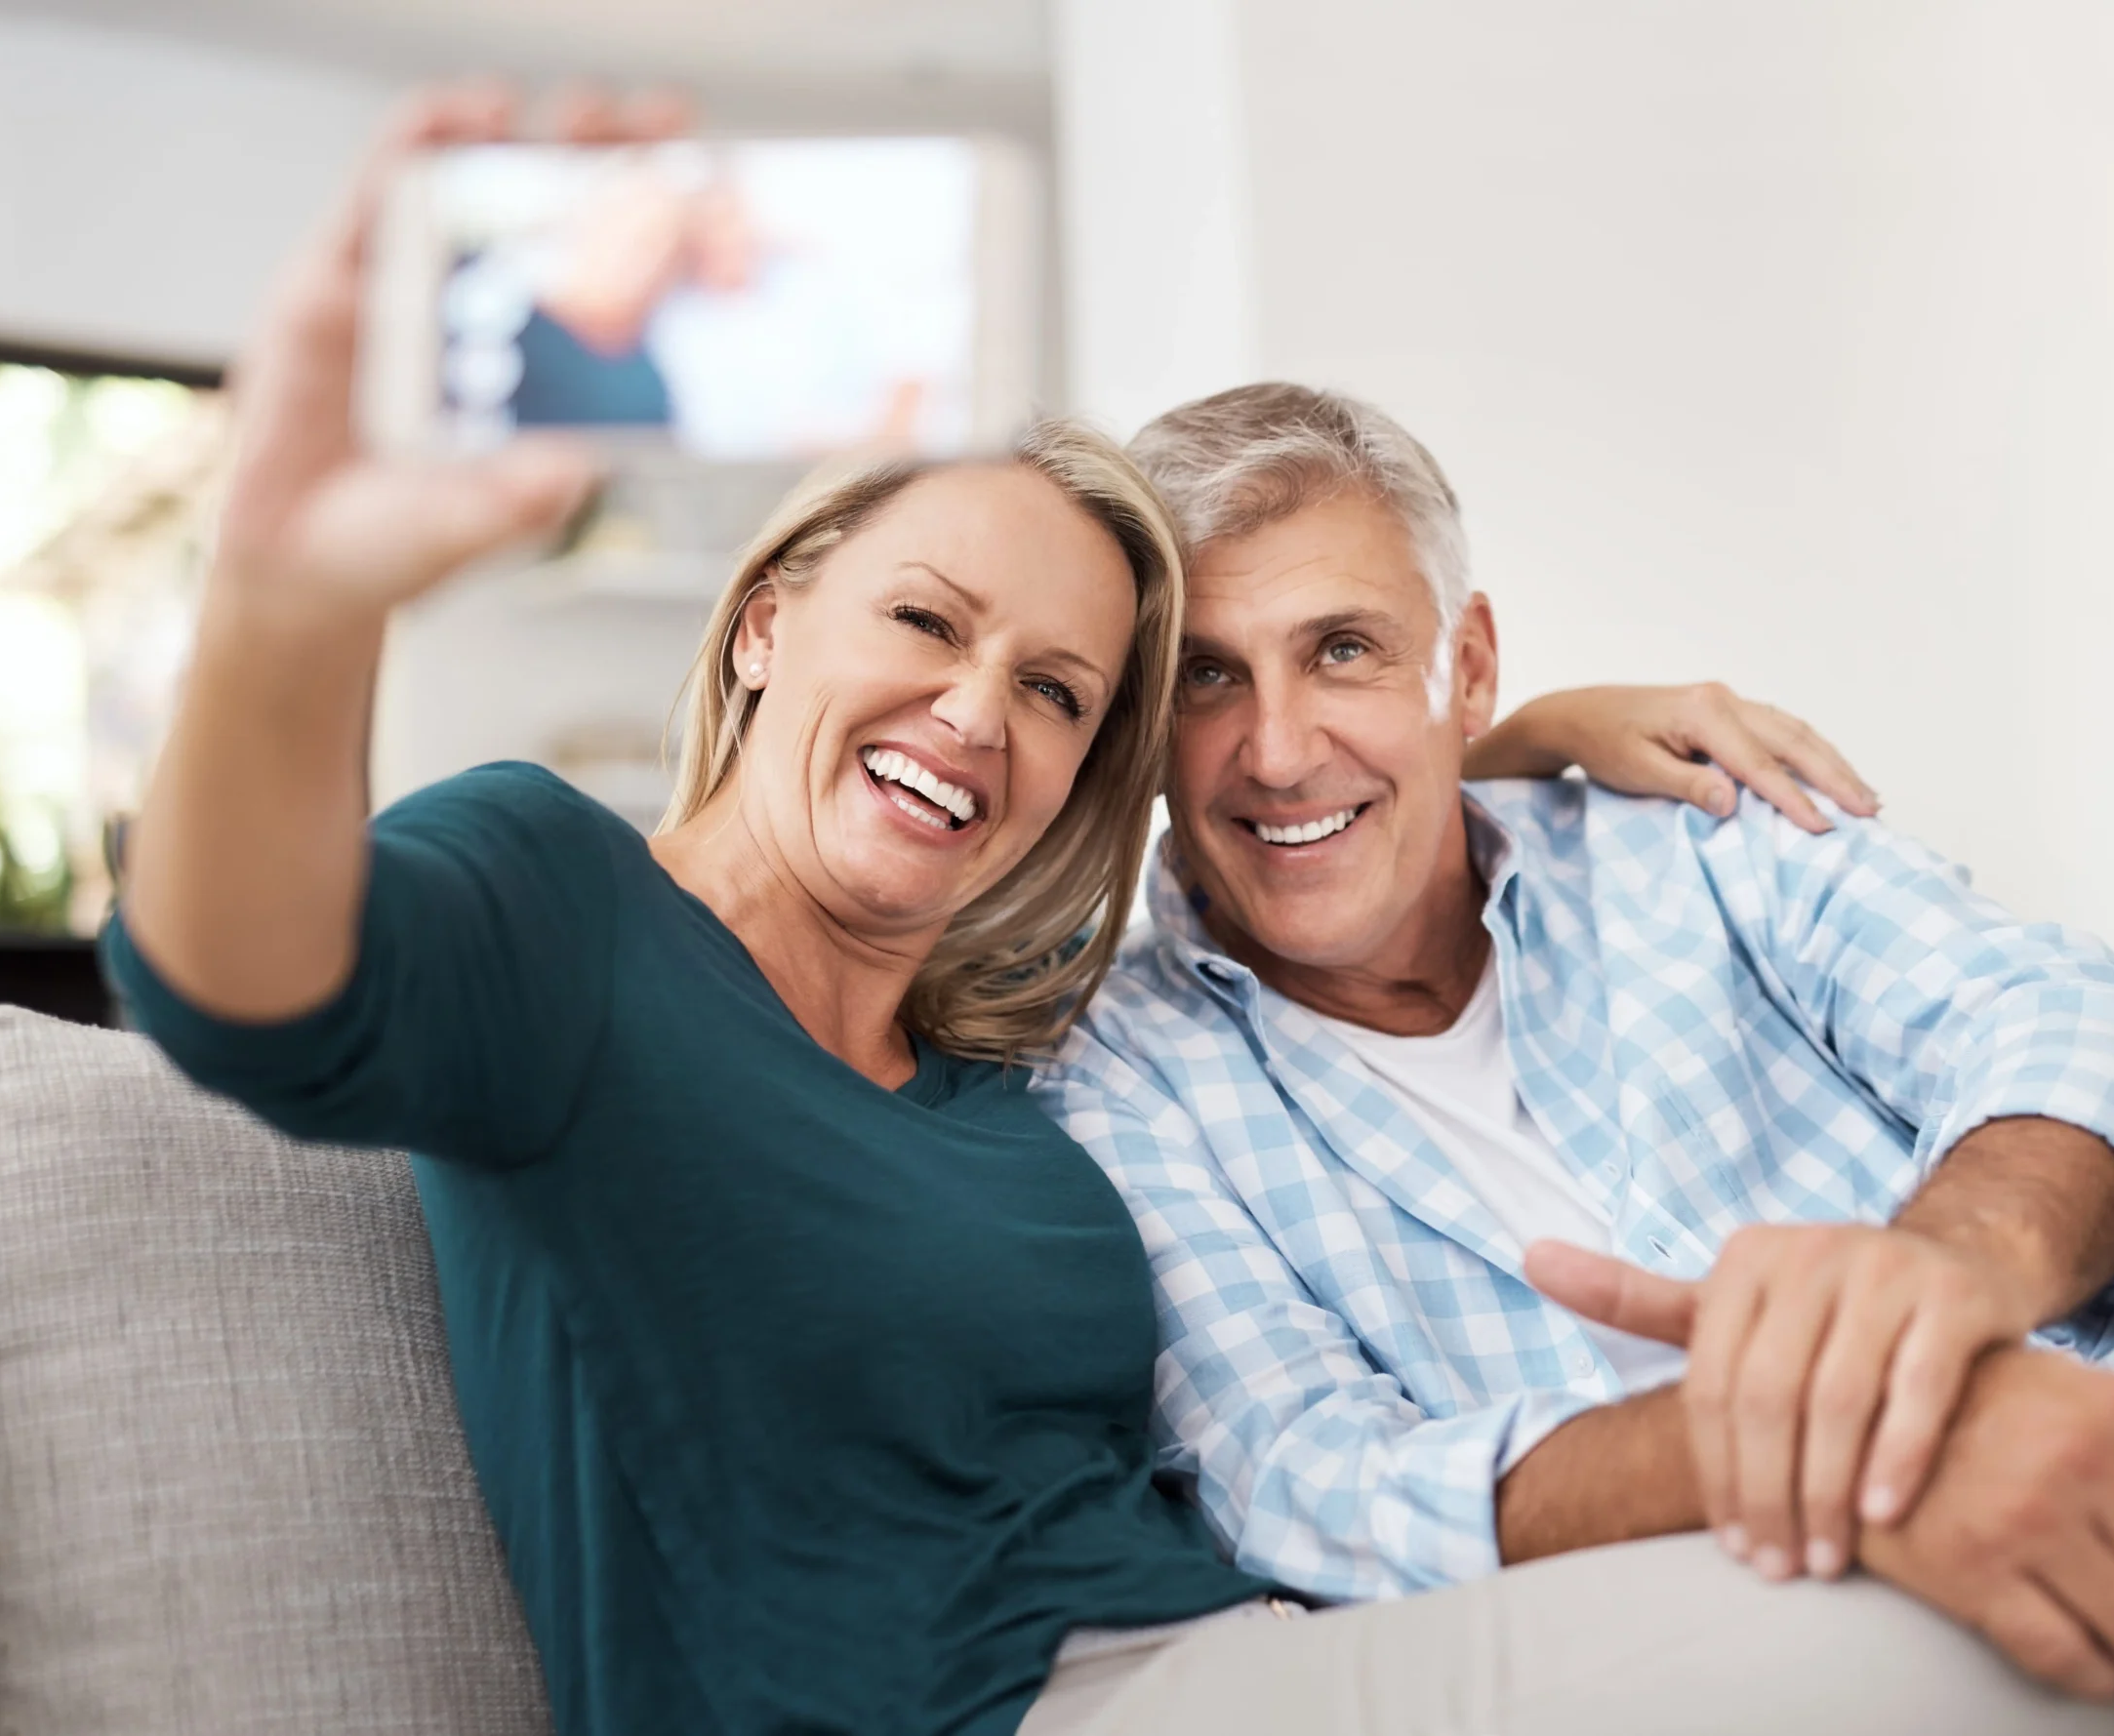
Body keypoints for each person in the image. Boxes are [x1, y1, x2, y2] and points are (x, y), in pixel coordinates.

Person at [104, 90, 1881, 1736]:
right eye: (927, 623)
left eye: (1056, 691)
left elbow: (1286, 846)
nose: (974, 714)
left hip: (1289, 1653)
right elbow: (252, 984)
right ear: (766, 621)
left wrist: (1502, 743)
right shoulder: (568, 916)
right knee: (1927, 1564)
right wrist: (288, 601)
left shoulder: (1023, 1050)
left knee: (1974, 1552)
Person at [1033, 383, 2114, 1731]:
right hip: (1668, 1655)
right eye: (1206, 675)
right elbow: (1306, 1475)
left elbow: (2062, 1020)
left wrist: (1946, 1274)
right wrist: (1856, 1429)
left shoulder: (1708, 833)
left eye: (1342, 648)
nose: (1275, 749)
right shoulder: (1118, 1078)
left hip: (2079, 1516)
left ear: (1465, 664)